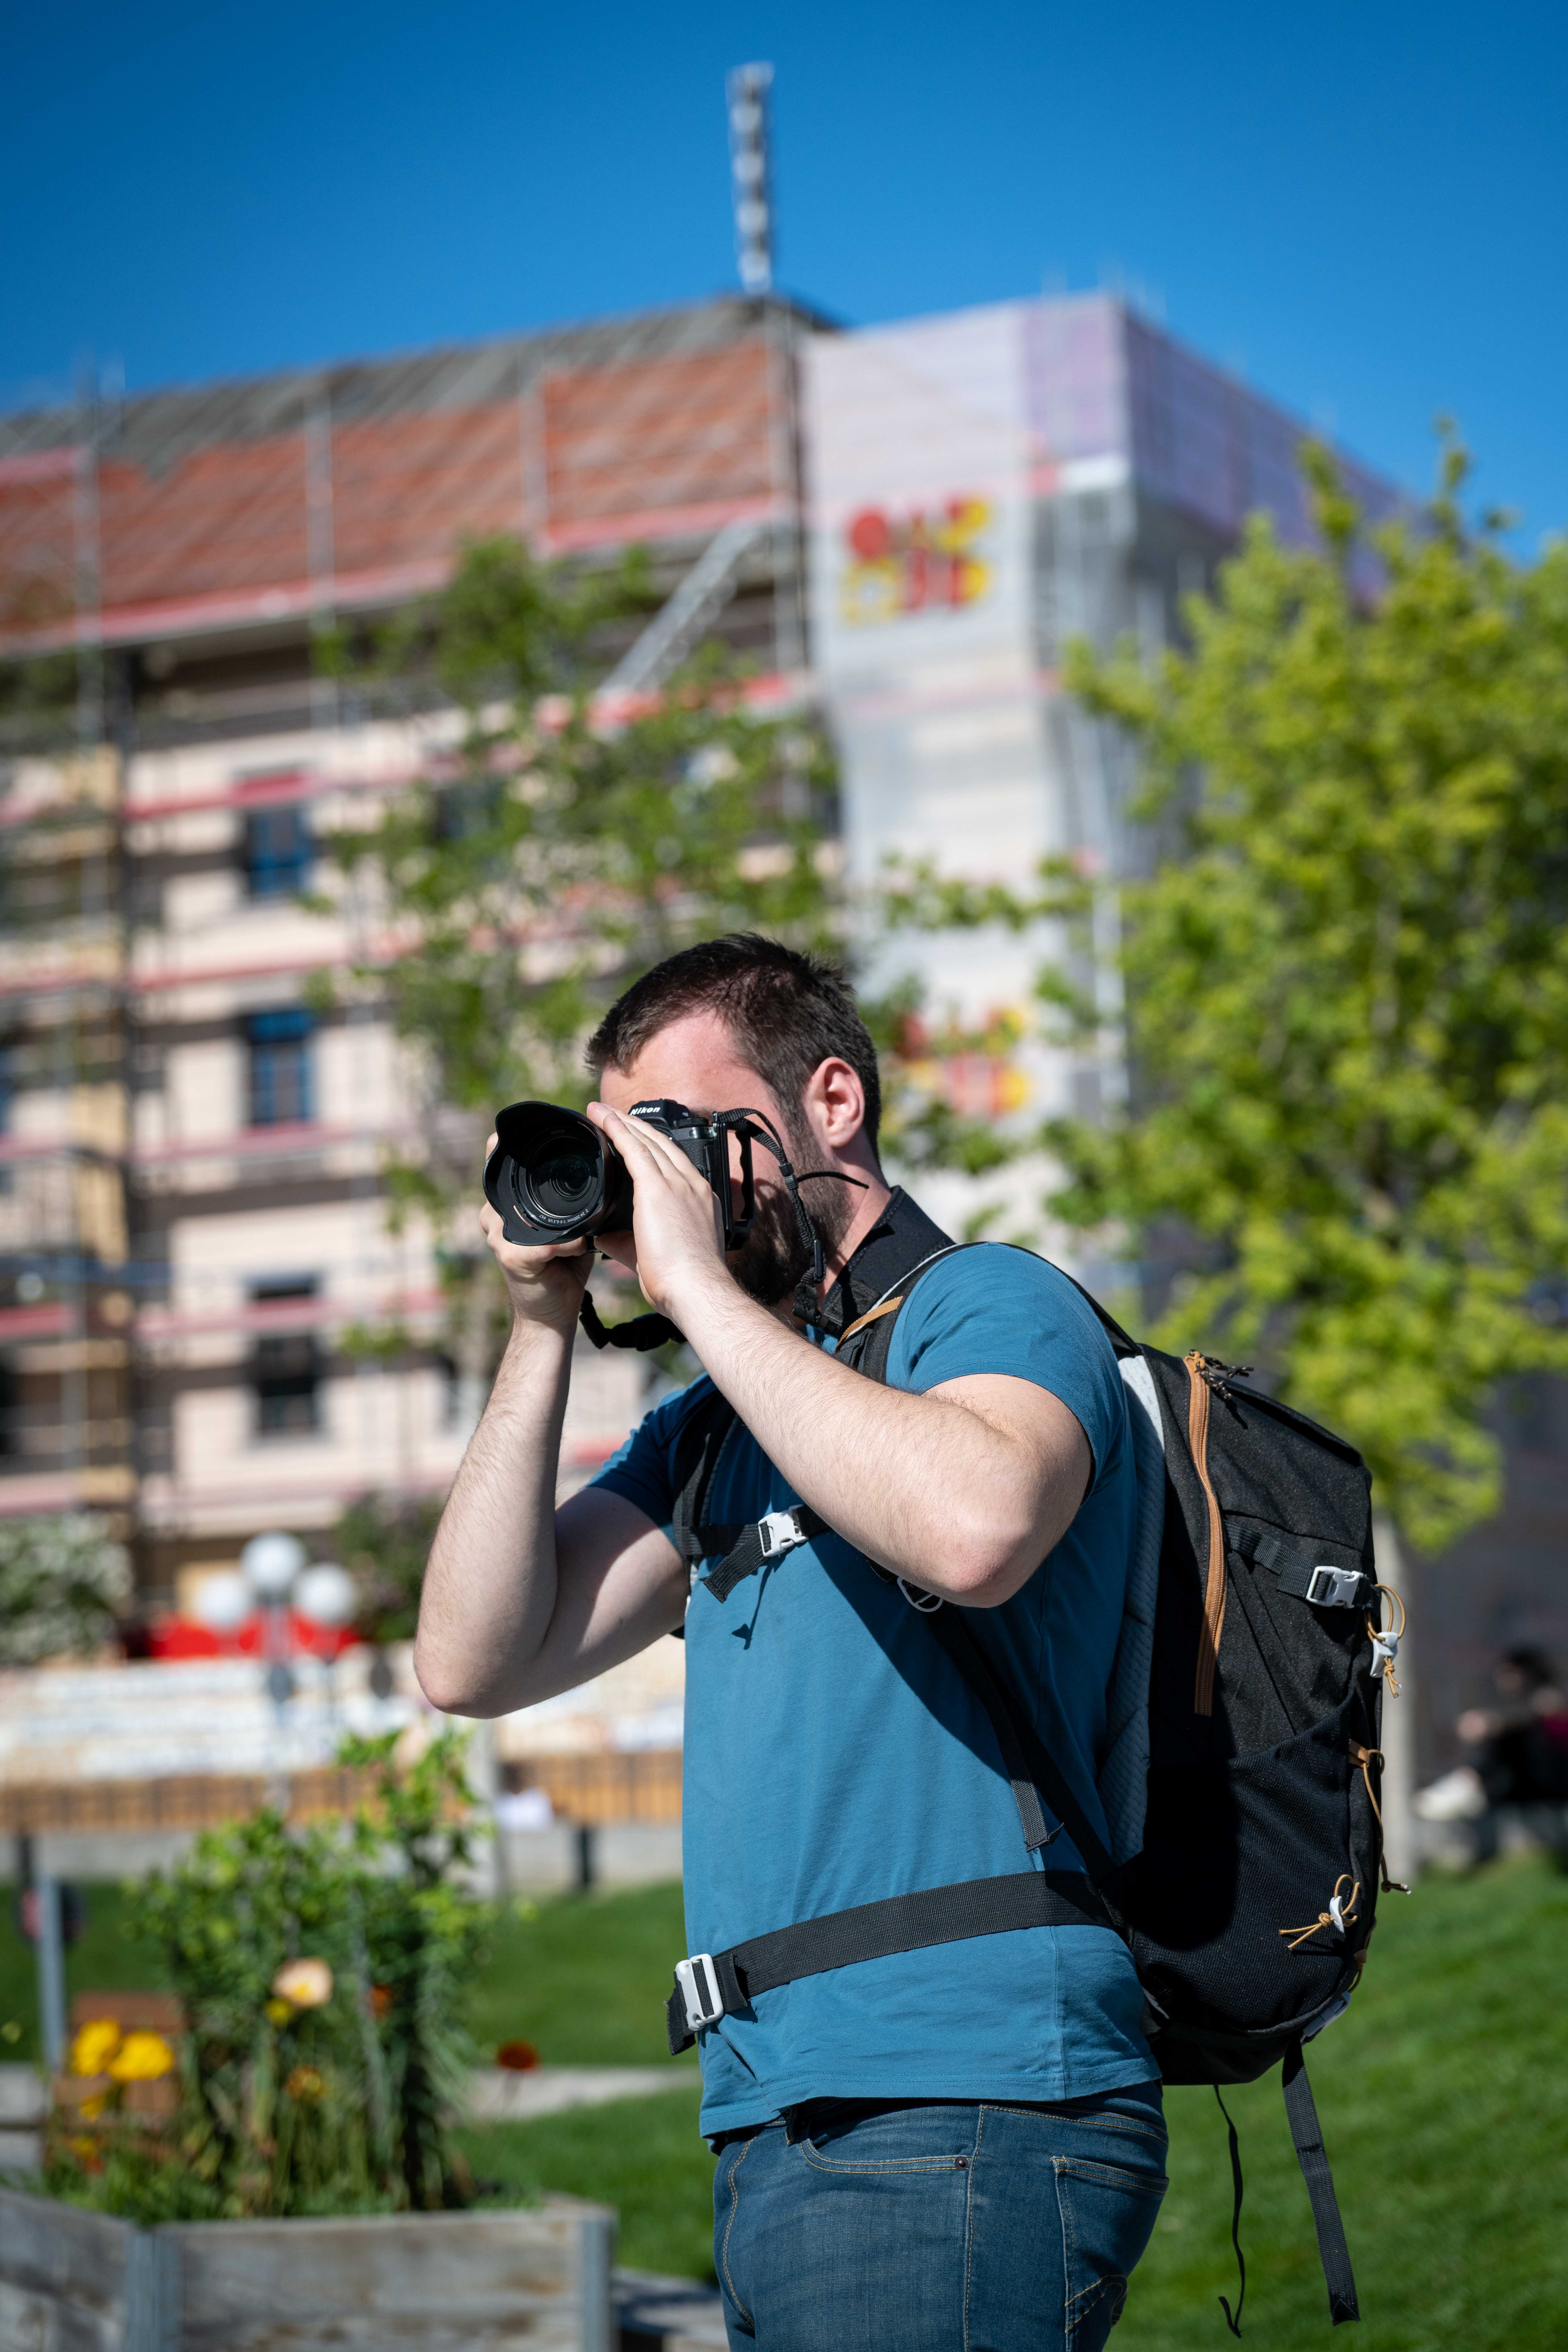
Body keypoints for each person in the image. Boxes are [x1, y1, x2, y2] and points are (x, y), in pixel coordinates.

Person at [415, 935, 1164, 2352]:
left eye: (690, 1140)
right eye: (633, 1153)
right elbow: (472, 1660)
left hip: (959, 2096)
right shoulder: (714, 1431)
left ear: (830, 1102)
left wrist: (693, 1287)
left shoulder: (984, 1305)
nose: (664, 1190)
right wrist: (539, 1325)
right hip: (782, 2113)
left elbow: (973, 1524)